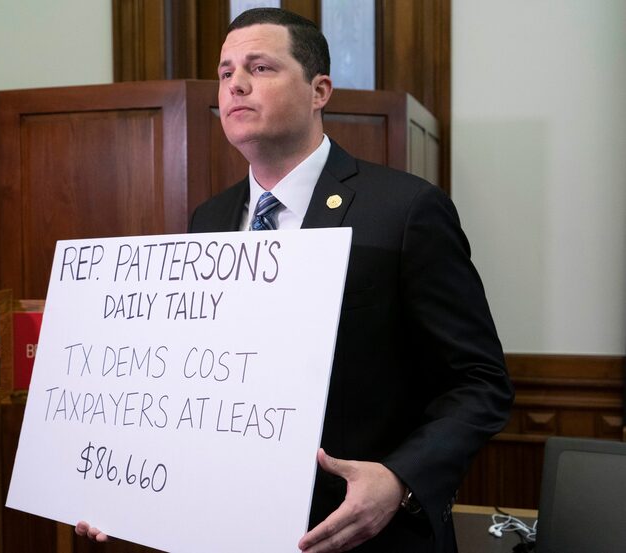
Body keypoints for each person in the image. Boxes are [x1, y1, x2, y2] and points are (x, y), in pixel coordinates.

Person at [77, 8, 513, 552]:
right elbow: (194, 385)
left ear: (319, 90)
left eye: (260, 68)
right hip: (228, 529)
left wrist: (399, 480)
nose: (235, 83)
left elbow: (478, 382)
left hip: (364, 537)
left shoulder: (405, 210)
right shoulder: (208, 220)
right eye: (226, 71)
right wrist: (125, 484)